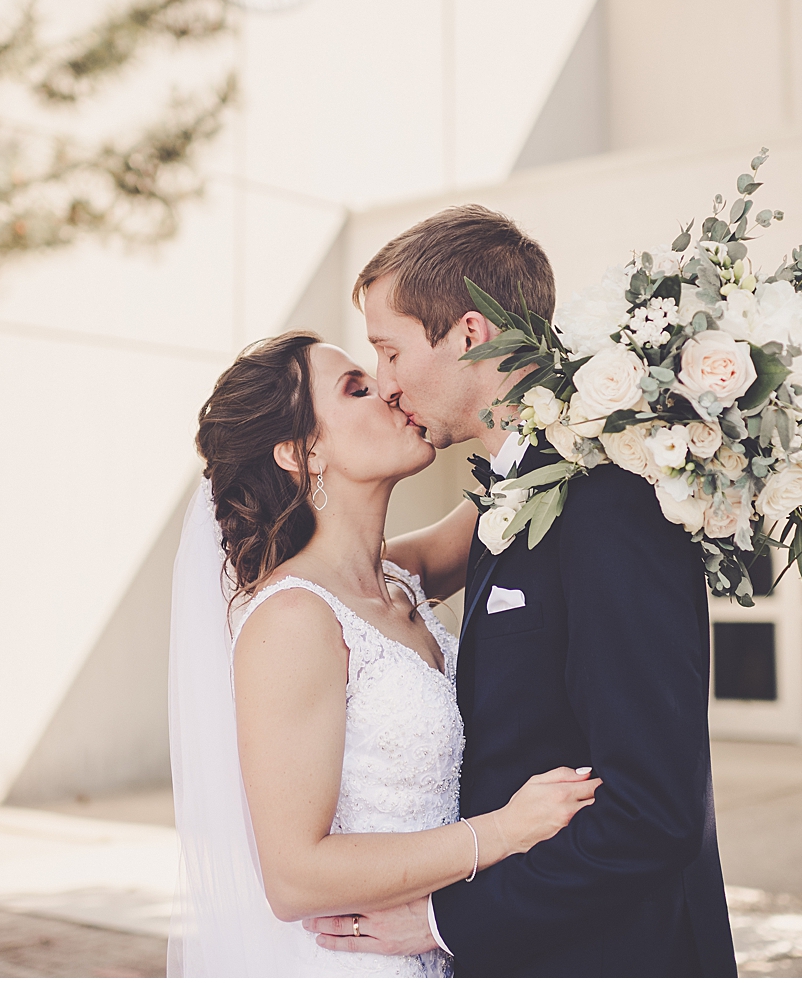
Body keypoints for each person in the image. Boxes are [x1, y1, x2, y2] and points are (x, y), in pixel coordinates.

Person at [308, 206, 736, 979]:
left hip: (611, 957)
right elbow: (367, 577)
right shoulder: (514, 493)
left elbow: (654, 811)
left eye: (390, 348)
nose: (386, 380)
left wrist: (442, 919)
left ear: (469, 333)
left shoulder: (610, 500)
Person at [170, 332, 598, 976]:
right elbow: (294, 878)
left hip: (436, 946)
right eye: (357, 388)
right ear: (301, 451)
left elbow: (517, 486)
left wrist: (618, 374)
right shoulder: (294, 618)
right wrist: (504, 832)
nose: (391, 391)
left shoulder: (398, 577)